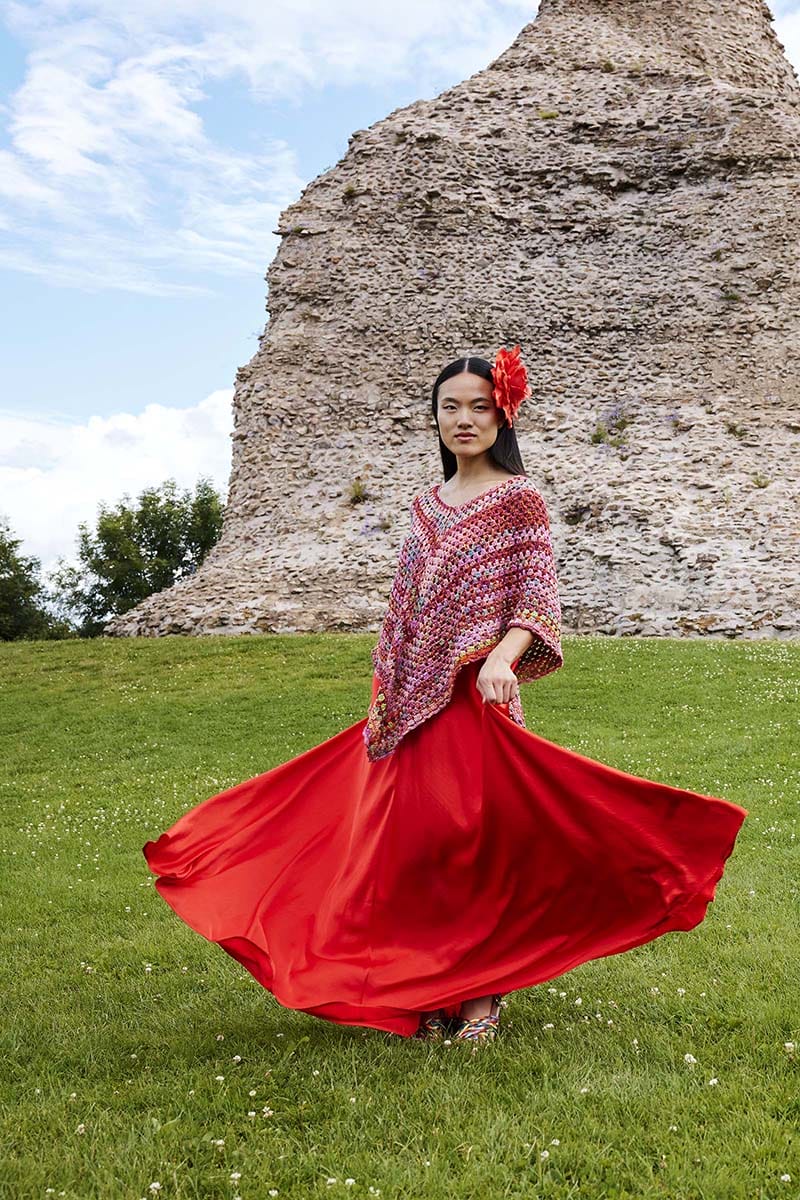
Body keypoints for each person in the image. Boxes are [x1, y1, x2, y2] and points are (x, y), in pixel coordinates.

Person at [143, 345, 748, 1049]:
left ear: (502, 416)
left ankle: (482, 998)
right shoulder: (426, 507)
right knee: (414, 850)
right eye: (450, 407)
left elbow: (536, 599)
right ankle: (429, 988)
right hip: (409, 703)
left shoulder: (519, 500)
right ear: (434, 419)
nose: (464, 419)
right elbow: (406, 609)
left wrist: (502, 659)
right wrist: (388, 687)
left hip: (475, 701)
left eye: (479, 407)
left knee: (473, 845)